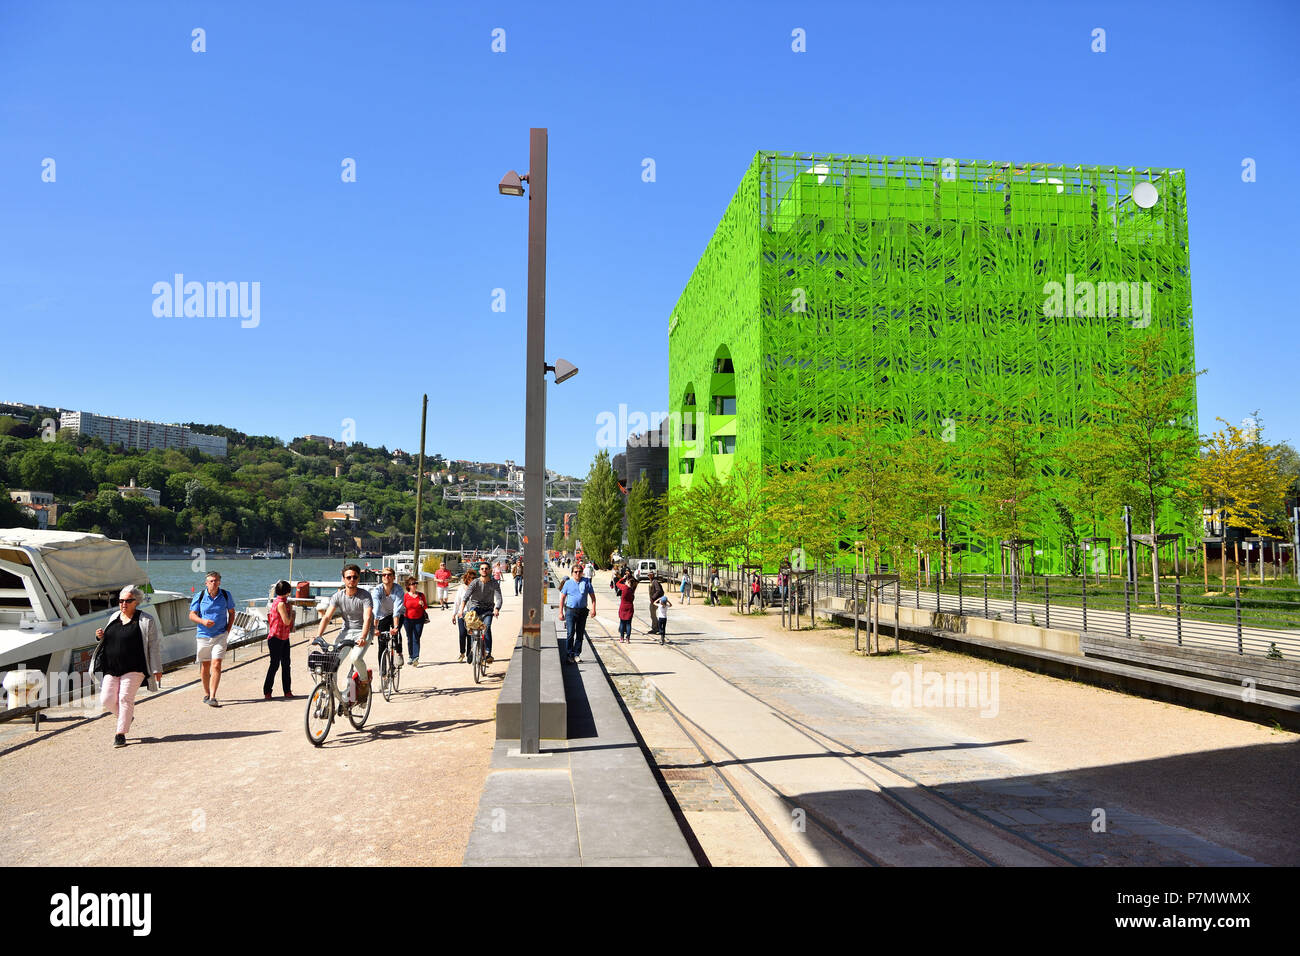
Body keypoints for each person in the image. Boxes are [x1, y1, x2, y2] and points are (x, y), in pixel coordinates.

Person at [95, 586, 163, 748]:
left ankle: (120, 734)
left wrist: (156, 668)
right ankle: (126, 716)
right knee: (106, 699)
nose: (123, 604)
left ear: (136, 602)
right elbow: (108, 639)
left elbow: (153, 645)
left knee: (125, 698)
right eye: (121, 601)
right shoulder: (114, 617)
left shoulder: (146, 620)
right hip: (111, 666)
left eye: (128, 601)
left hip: (135, 666)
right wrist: (100, 637)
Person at [314, 564, 374, 705]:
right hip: (346, 631)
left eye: (354, 577)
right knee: (332, 662)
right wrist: (318, 635)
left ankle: (364, 681)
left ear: (358, 579)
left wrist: (363, 637)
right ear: (343, 579)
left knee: (355, 658)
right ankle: (333, 692)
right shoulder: (337, 596)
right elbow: (327, 617)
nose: (351, 580)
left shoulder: (365, 596)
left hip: (363, 631)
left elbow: (367, 618)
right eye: (348, 577)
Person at [189, 571, 236, 707]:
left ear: (219, 582)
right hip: (203, 635)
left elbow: (231, 613)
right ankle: (207, 693)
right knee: (205, 666)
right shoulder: (200, 596)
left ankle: (213, 696)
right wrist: (203, 621)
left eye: (216, 581)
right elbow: (192, 615)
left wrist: (227, 631)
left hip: (220, 635)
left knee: (217, 664)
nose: (213, 583)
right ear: (206, 583)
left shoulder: (226, 595)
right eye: (211, 581)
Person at [461, 562, 503, 665]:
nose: (484, 570)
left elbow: (499, 598)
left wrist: (497, 609)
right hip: (475, 607)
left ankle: (488, 653)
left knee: (487, 627)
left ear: (489, 570)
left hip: (488, 609)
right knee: (471, 625)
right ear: (479, 571)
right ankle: (472, 649)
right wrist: (461, 610)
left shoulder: (494, 583)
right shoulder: (475, 582)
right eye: (482, 568)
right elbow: (466, 597)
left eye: (486, 568)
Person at [263, 580, 295, 700]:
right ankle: (267, 691)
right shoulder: (281, 604)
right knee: (275, 665)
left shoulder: (282, 602)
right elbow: (286, 621)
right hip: (276, 638)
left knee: (286, 665)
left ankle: (287, 690)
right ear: (287, 591)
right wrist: (291, 613)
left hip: (284, 637)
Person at [559, 563, 597, 663]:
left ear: (582, 573)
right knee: (570, 633)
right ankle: (569, 654)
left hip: (582, 611)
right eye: (575, 572)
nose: (578, 573)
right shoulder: (568, 583)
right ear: (572, 573)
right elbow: (562, 598)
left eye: (580, 572)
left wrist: (593, 609)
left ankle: (576, 654)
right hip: (570, 611)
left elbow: (593, 597)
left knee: (580, 634)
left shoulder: (586, 582)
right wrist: (560, 612)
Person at [370, 568, 405, 669]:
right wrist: (375, 627)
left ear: (394, 577)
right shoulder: (377, 590)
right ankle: (383, 671)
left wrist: (395, 627)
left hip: (397, 614)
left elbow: (397, 609)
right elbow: (376, 608)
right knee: (381, 643)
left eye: (389, 575)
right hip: (383, 615)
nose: (386, 577)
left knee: (396, 633)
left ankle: (398, 653)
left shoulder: (398, 589)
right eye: (384, 575)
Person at [401, 576, 428, 667]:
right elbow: (402, 607)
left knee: (416, 638)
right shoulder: (405, 596)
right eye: (413, 584)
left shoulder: (421, 595)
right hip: (407, 619)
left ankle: (416, 657)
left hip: (419, 619)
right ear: (408, 586)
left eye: (416, 583)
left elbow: (425, 607)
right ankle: (411, 656)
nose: (415, 585)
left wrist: (422, 604)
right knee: (409, 638)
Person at [452, 569, 477, 662]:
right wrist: (454, 614)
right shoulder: (461, 588)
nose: (474, 580)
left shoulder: (476, 588)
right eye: (472, 578)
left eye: (475, 578)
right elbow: (457, 602)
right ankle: (462, 653)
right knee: (462, 634)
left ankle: (469, 654)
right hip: (462, 614)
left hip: (472, 615)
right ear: (467, 579)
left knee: (470, 634)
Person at [615, 569, 637, 643]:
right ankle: (628, 638)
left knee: (622, 622)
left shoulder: (624, 588)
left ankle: (621, 637)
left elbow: (617, 583)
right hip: (630, 607)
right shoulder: (632, 590)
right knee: (628, 623)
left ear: (627, 583)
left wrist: (623, 578)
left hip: (623, 606)